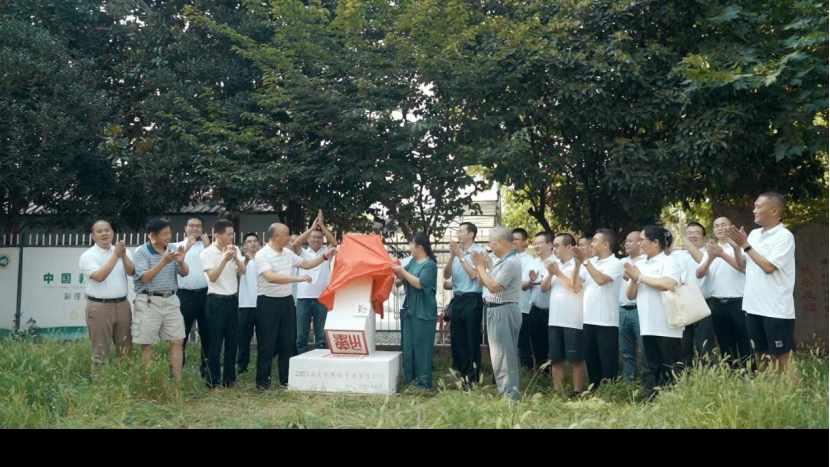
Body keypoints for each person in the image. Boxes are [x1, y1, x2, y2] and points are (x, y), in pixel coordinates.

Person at [255, 223, 336, 390]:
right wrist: (297, 279)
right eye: (286, 234)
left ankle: (285, 380)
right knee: (267, 343)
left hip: (286, 301)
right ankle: (263, 382)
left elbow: (306, 264)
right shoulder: (262, 254)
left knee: (287, 342)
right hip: (268, 302)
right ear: (276, 236)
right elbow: (271, 277)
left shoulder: (287, 253)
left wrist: (324, 257)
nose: (289, 237)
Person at [726, 192, 797, 380]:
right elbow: (743, 267)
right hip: (753, 307)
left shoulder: (784, 236)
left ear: (774, 211)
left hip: (775, 309)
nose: (754, 210)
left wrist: (746, 246)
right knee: (761, 355)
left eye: (758, 206)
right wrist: (737, 247)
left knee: (783, 356)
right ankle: (769, 392)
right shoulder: (754, 234)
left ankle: (795, 393)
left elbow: (769, 267)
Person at [624, 226, 684, 396]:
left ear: (656, 242)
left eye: (642, 240)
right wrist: (634, 279)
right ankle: (652, 398)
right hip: (647, 324)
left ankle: (674, 399)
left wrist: (640, 277)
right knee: (651, 366)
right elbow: (630, 295)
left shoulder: (669, 261)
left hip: (668, 325)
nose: (639, 243)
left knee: (671, 366)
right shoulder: (639, 264)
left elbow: (669, 284)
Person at [132, 217, 190, 382]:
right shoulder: (141, 252)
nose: (168, 237)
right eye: (164, 234)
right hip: (149, 301)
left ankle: (177, 382)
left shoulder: (172, 248)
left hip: (171, 299)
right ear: (152, 235)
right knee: (147, 343)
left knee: (177, 341)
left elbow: (185, 273)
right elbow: (144, 278)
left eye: (169, 233)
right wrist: (163, 262)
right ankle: (149, 383)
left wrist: (181, 262)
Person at [472, 226, 523, 401]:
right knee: (498, 356)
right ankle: (505, 392)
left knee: (505, 356)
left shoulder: (511, 262)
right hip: (496, 310)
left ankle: (511, 397)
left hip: (504, 310)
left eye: (492, 243)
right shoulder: (501, 262)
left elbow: (493, 287)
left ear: (500, 242)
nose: (490, 246)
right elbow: (482, 283)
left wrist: (480, 266)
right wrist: (485, 267)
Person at [571, 229, 624, 389]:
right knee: (592, 362)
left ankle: (610, 394)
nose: (591, 245)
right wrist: (578, 265)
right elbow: (575, 286)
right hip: (588, 319)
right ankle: (594, 392)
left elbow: (601, 280)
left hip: (606, 321)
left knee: (607, 362)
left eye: (594, 241)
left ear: (606, 244)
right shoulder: (592, 262)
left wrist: (585, 261)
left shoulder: (615, 263)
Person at [695, 216, 750, 369]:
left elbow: (743, 268)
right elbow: (699, 274)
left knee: (745, 343)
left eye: (723, 225)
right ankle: (731, 375)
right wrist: (710, 258)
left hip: (740, 302)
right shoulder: (710, 250)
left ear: (731, 226)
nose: (720, 228)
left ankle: (750, 375)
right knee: (725, 344)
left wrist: (724, 254)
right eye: (716, 226)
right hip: (718, 303)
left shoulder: (740, 247)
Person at [79, 220, 134, 364]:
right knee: (100, 349)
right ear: (93, 236)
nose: (104, 234)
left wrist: (123, 255)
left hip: (122, 305)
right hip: (100, 306)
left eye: (107, 230)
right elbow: (99, 277)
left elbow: (132, 272)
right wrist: (116, 256)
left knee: (126, 348)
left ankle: (125, 376)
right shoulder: (88, 255)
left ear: (112, 233)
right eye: (99, 231)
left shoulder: (123, 251)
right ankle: (99, 378)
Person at [201, 219, 246, 389]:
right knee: (215, 343)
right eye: (229, 234)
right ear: (217, 235)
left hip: (232, 300)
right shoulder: (207, 253)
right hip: (216, 301)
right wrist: (224, 260)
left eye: (232, 234)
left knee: (232, 342)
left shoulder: (234, 249)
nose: (232, 237)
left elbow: (243, 271)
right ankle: (213, 381)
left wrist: (236, 258)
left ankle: (229, 379)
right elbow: (212, 277)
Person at [541, 233, 586, 397]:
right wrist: (550, 274)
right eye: (553, 245)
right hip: (555, 319)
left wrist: (558, 272)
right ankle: (558, 392)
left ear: (569, 247)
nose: (554, 249)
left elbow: (574, 287)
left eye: (557, 245)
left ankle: (577, 391)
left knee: (576, 359)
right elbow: (543, 288)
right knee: (556, 358)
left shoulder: (579, 265)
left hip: (573, 320)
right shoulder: (555, 266)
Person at [393, 232, 439, 390]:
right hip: (409, 309)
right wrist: (395, 271)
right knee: (408, 347)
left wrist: (403, 272)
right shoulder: (413, 261)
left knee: (422, 348)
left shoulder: (430, 265)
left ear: (419, 247)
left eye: (411, 244)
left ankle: (423, 384)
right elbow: (400, 279)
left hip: (423, 311)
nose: (409, 247)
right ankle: (410, 381)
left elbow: (419, 283)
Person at [443, 222, 486, 388]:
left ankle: (472, 378)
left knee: (471, 338)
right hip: (457, 299)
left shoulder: (478, 252)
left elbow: (475, 275)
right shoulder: (456, 254)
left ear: (471, 234)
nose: (458, 234)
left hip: (472, 299)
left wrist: (461, 256)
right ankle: (460, 374)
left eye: (461, 231)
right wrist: (452, 257)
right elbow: (446, 275)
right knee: (457, 338)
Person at [292, 210, 338, 354]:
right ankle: (301, 359)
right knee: (301, 336)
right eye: (313, 237)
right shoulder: (303, 252)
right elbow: (295, 243)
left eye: (319, 237)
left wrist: (322, 225)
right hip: (303, 298)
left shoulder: (326, 252)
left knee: (321, 337)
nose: (316, 240)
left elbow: (334, 242)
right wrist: (311, 228)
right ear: (308, 238)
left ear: (322, 239)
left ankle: (321, 360)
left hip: (321, 298)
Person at [174, 215, 212, 378]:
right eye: (191, 225)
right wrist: (186, 249)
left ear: (202, 229)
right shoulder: (176, 246)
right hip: (185, 295)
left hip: (206, 294)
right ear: (185, 228)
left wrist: (208, 247)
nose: (194, 228)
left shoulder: (208, 247)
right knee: (180, 334)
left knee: (207, 333)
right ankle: (177, 370)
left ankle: (207, 368)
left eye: (198, 226)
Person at [524, 231, 554, 372]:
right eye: (534, 243)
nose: (536, 246)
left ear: (550, 244)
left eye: (539, 243)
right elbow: (523, 286)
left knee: (554, 347)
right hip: (536, 309)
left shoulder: (557, 262)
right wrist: (531, 281)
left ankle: (556, 376)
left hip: (555, 311)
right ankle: (542, 376)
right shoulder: (532, 262)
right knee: (538, 346)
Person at [237, 232, 261, 374]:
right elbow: (237, 274)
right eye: (249, 241)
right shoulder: (240, 260)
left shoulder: (263, 260)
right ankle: (242, 365)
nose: (252, 244)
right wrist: (245, 262)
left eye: (255, 241)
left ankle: (262, 365)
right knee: (244, 337)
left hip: (262, 303)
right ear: (244, 245)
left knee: (263, 337)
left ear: (259, 244)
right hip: (245, 303)